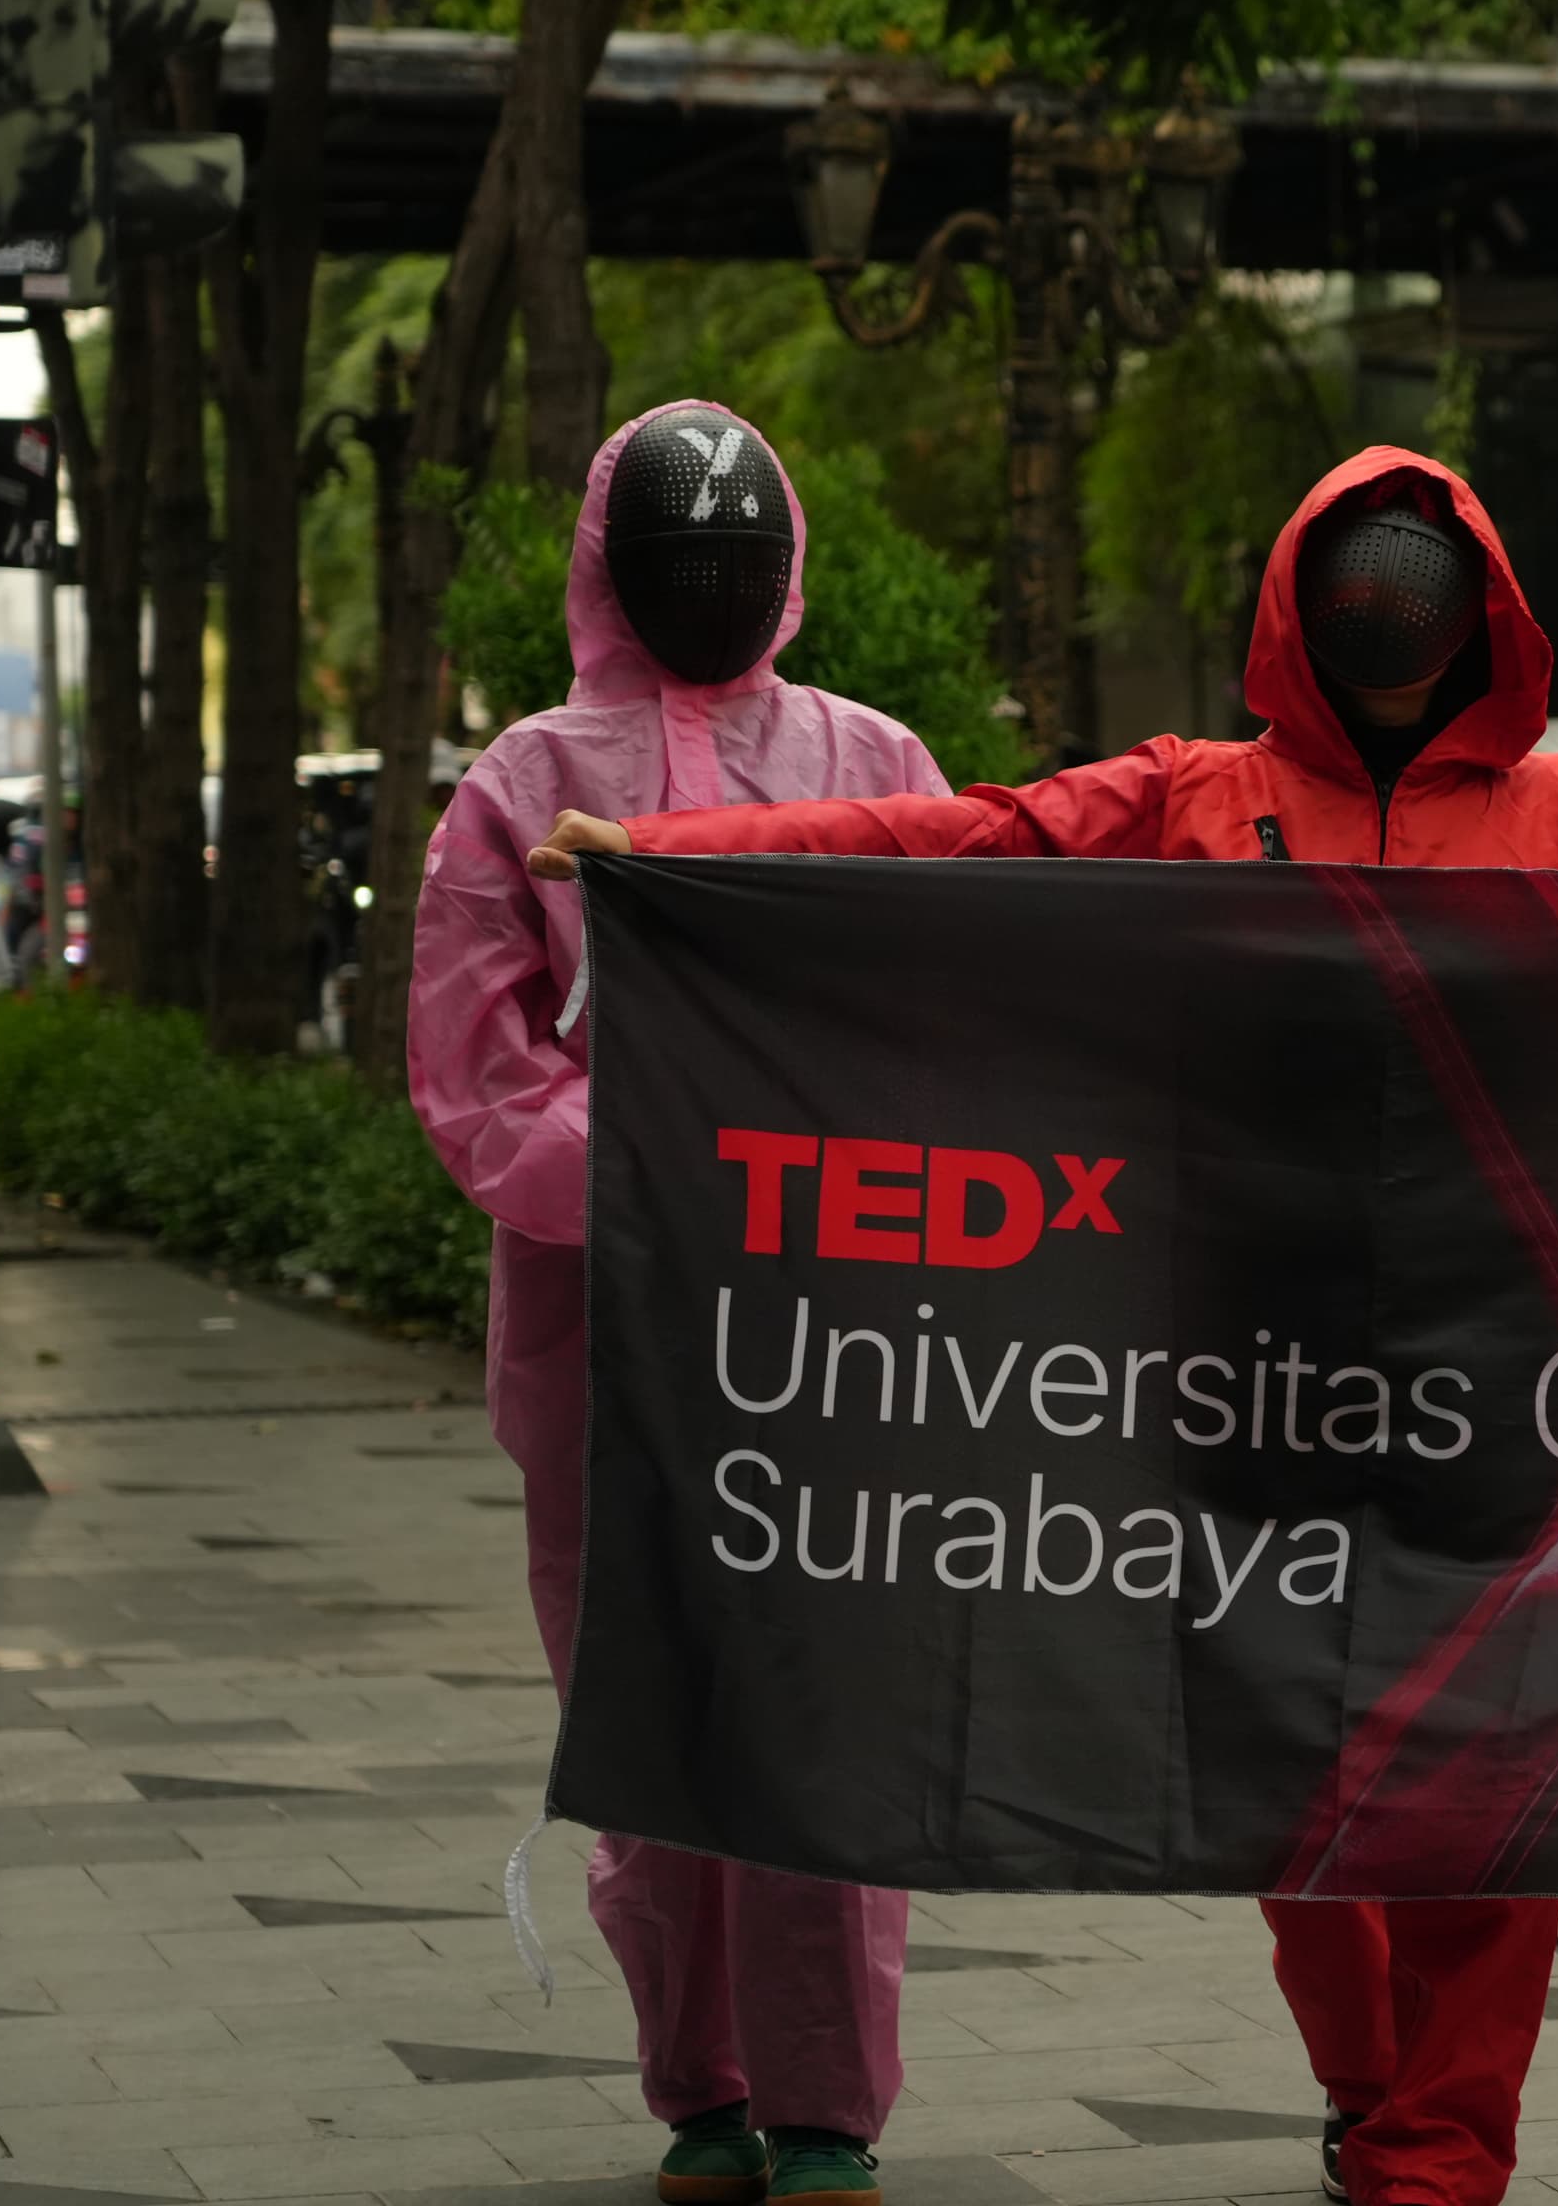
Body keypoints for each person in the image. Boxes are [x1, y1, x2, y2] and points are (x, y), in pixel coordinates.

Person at [527, 443, 1558, 2206]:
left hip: (1509, 1379)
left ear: (1477, 610)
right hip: (1240, 1369)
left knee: (1502, 1775)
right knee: (1275, 1762)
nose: (1388, 608)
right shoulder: (1195, 793)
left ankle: (1441, 2147)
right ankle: (1366, 2080)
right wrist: (672, 859)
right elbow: (960, 840)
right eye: (1360, 579)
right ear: (1301, 610)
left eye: (1418, 577)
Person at [412, 403, 949, 2206]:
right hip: (604, 1337)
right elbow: (474, 1064)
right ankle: (699, 2090)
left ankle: (827, 2113)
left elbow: (955, 1008)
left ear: (782, 569)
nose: (711, 586)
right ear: (616, 571)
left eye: (737, 556)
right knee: (644, 1704)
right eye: (678, 559)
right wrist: (658, 1184)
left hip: (832, 1330)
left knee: (822, 1703)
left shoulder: (878, 759)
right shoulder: (516, 786)